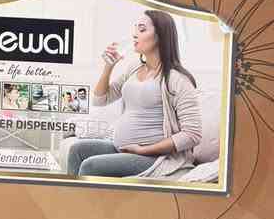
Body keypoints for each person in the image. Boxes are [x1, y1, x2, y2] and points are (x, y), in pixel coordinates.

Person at [65, 9, 202, 180]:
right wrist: (108, 67)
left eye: (142, 29)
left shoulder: (177, 79)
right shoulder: (134, 68)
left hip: (155, 158)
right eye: (135, 29)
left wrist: (144, 150)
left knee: (90, 166)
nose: (135, 34)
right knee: (77, 150)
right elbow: (100, 99)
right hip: (125, 149)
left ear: (160, 36)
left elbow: (192, 134)